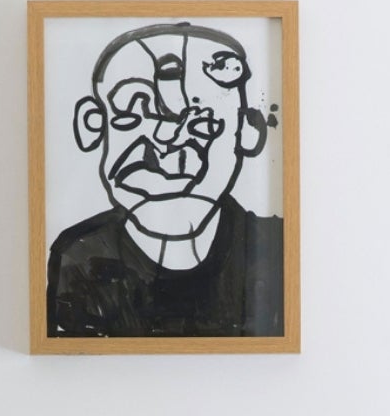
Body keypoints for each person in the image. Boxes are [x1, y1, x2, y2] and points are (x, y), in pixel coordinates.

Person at [47, 23, 283, 339]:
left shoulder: (272, 250)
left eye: (202, 126)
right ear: (92, 125)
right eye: (131, 116)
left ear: (248, 131)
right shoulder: (79, 257)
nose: (166, 142)